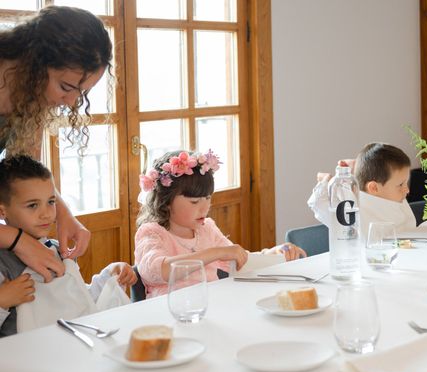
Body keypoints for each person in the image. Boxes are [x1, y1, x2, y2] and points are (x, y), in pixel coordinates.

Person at [0, 5, 112, 281]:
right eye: (65, 87)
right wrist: (15, 239)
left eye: (81, 93)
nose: (71, 102)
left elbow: (24, 173)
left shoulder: (29, 98)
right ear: (34, 62)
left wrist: (63, 213)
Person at [135, 150, 306, 298]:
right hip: (167, 313)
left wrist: (275, 254)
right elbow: (157, 271)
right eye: (194, 202)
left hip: (209, 307)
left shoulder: (206, 228)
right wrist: (216, 253)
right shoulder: (151, 233)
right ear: (166, 202)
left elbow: (239, 261)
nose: (204, 207)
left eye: (208, 198)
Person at [0, 155, 136, 337]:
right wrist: (2, 301)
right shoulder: (3, 263)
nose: (47, 214)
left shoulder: (56, 249)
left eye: (51, 202)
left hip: (70, 349)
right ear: (2, 211)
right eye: (33, 205)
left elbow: (78, 301)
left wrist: (109, 277)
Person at [308, 142, 418, 236]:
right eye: (401, 185)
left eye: (406, 182)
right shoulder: (351, 207)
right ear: (374, 188)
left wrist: (360, 167)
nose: (407, 190)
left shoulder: (395, 197)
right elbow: (317, 203)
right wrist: (326, 181)